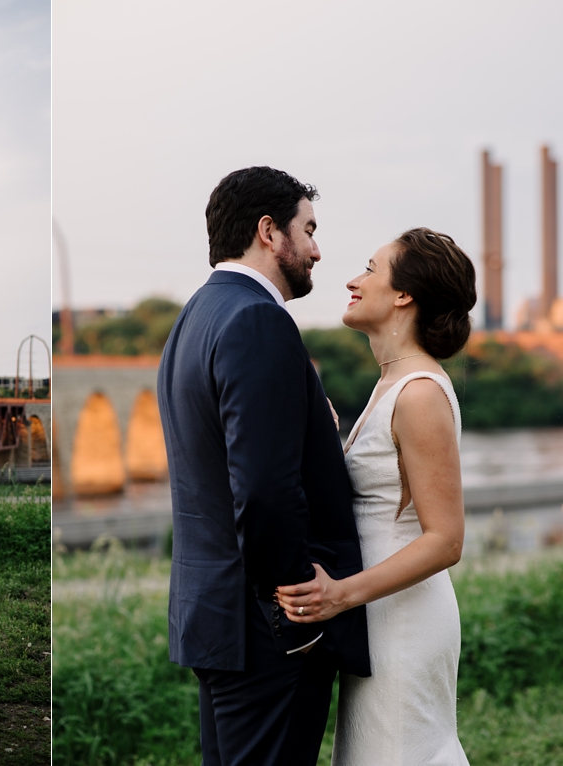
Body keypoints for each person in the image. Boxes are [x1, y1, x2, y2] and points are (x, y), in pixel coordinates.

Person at [157, 166, 371, 766]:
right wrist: (295, 615)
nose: (317, 250)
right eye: (309, 230)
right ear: (269, 232)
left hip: (215, 615)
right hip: (267, 632)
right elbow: (265, 490)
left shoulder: (194, 318)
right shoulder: (258, 319)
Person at [276, 228, 475, 765]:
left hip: (402, 618)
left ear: (404, 295)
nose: (351, 280)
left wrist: (341, 595)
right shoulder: (392, 383)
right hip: (377, 611)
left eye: (370, 268)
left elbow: (446, 539)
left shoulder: (419, 393)